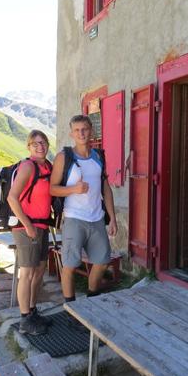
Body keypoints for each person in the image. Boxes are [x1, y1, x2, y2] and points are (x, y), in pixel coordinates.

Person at [50, 115, 117, 305]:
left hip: (97, 218)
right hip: (73, 218)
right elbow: (52, 188)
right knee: (70, 266)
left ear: (91, 131)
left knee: (102, 261)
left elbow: (106, 188)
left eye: (85, 129)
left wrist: (112, 218)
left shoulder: (98, 156)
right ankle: (71, 307)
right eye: (77, 130)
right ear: (72, 133)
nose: (81, 133)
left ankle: (91, 297)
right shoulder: (64, 157)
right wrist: (73, 189)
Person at [7, 130, 53, 335]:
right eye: (35, 143)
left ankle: (32, 311)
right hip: (27, 228)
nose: (40, 146)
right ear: (28, 146)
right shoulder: (28, 167)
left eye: (43, 142)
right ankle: (25, 319)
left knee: (39, 270)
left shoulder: (48, 167)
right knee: (26, 273)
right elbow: (12, 198)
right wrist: (27, 225)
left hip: (42, 226)